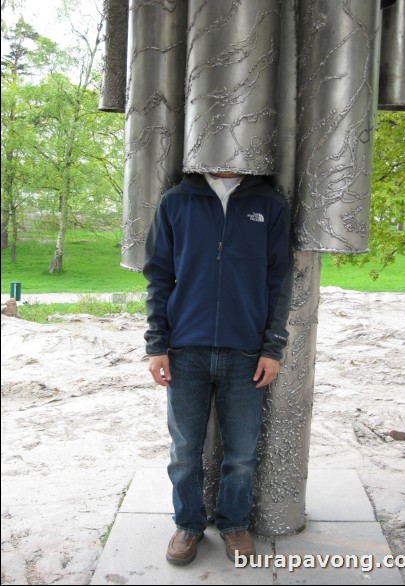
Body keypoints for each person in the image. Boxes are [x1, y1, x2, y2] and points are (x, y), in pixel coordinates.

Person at [143, 170, 293, 565]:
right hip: (184, 351)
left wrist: (273, 348)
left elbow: (279, 280)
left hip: (246, 352)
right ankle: (188, 525)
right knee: (185, 451)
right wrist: (156, 345)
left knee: (241, 453)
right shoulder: (177, 201)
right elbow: (158, 276)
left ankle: (233, 524)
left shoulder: (269, 203)